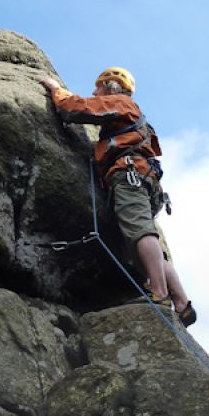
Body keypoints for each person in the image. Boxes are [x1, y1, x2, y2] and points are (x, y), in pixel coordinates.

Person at [40, 67, 196, 327]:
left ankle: (159, 294)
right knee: (141, 234)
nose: (94, 91)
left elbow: (78, 108)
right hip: (143, 178)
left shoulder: (121, 103)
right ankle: (182, 303)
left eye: (98, 87)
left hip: (129, 175)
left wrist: (56, 90)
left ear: (112, 86)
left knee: (139, 232)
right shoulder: (135, 118)